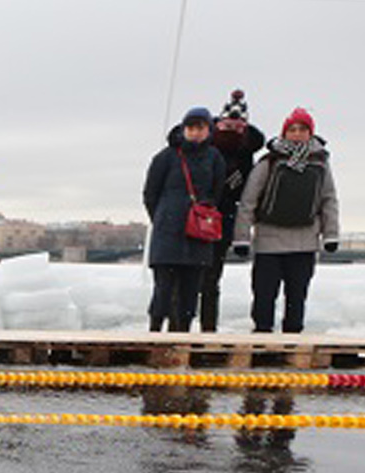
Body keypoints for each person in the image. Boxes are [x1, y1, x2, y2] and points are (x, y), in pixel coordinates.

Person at [234, 108, 341, 335]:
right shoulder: (269, 162)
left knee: (297, 296)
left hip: (305, 241)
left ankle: (293, 339)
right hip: (269, 240)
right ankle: (262, 336)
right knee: (264, 294)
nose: (297, 134)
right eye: (292, 129)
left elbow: (328, 200)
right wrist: (242, 238)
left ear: (310, 133)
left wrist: (331, 234)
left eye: (303, 129)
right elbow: (248, 201)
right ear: (284, 133)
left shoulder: (320, 163)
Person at [143, 106, 226, 333]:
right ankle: (155, 332)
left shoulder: (214, 158)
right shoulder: (166, 157)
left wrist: (201, 215)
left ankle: (181, 334)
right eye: (191, 127)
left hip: (198, 234)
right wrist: (163, 218)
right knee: (163, 290)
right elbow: (150, 193)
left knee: (190, 291)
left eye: (200, 127)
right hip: (168, 233)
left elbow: (218, 192)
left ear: (208, 130)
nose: (195, 132)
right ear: (183, 129)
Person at [201, 90, 265, 332]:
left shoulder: (246, 152)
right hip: (198, 218)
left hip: (223, 220)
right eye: (227, 124)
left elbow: (248, 197)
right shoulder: (205, 148)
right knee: (188, 281)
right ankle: (180, 328)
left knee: (211, 280)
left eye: (237, 126)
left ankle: (208, 330)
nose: (232, 129)